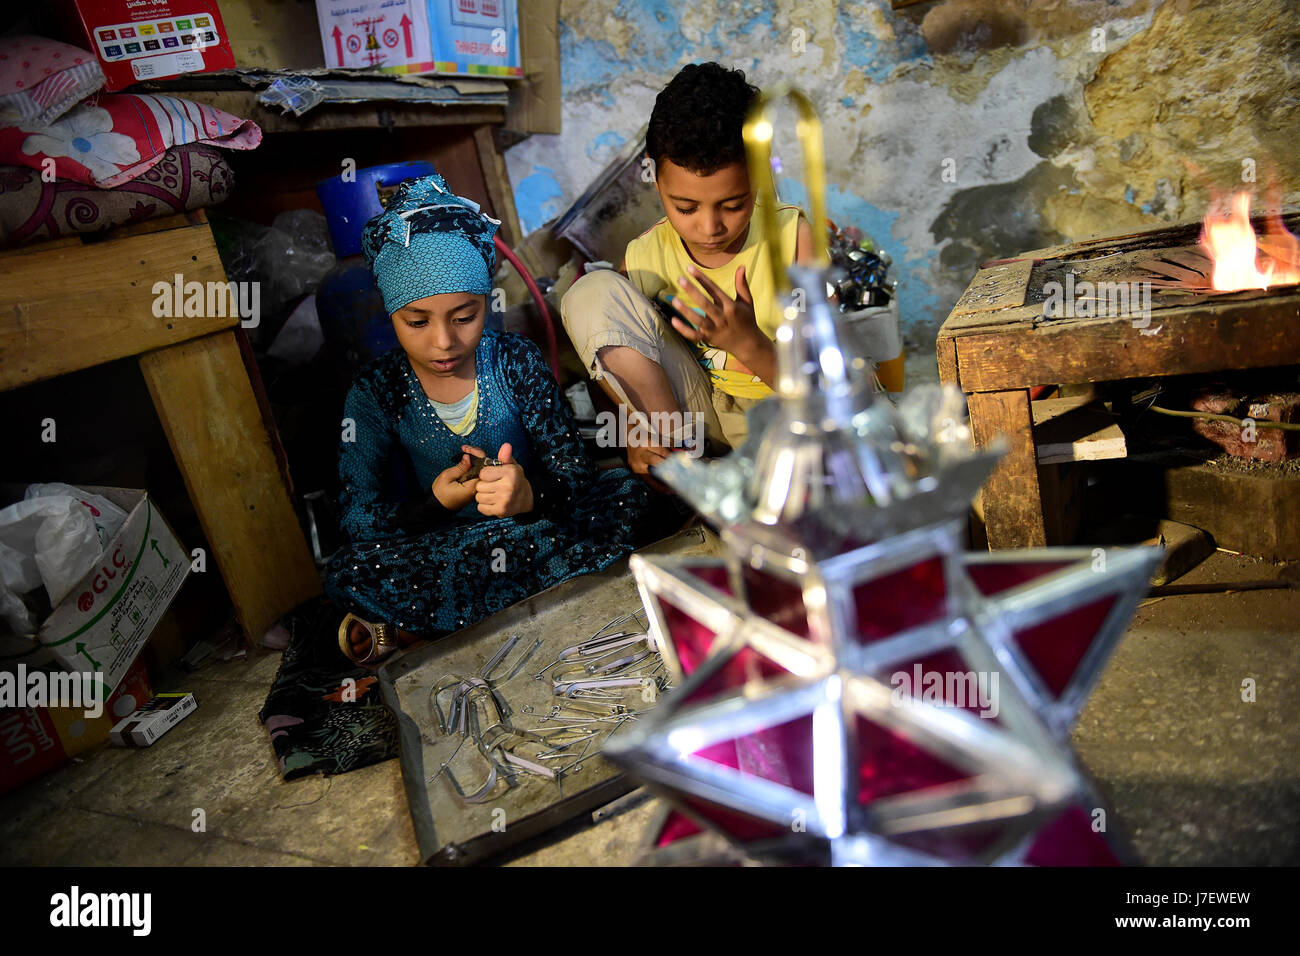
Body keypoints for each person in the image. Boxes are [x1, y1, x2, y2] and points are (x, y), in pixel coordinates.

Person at [322, 173, 659, 663]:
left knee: (629, 495)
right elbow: (358, 519)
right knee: (348, 569)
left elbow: (575, 471)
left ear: (486, 302)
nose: (444, 341)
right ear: (390, 315)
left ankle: (424, 628)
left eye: (465, 316)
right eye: (417, 322)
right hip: (445, 547)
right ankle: (524, 601)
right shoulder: (374, 393)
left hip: (532, 527)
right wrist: (435, 503)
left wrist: (529, 494)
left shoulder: (514, 361)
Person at [561, 62, 814, 480]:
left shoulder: (792, 241)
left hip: (793, 422)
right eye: (686, 208)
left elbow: (830, 394)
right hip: (706, 429)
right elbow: (608, 369)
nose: (710, 227)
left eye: (733, 205)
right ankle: (679, 465)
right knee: (592, 292)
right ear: (654, 176)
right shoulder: (644, 257)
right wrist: (634, 436)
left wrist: (748, 345)